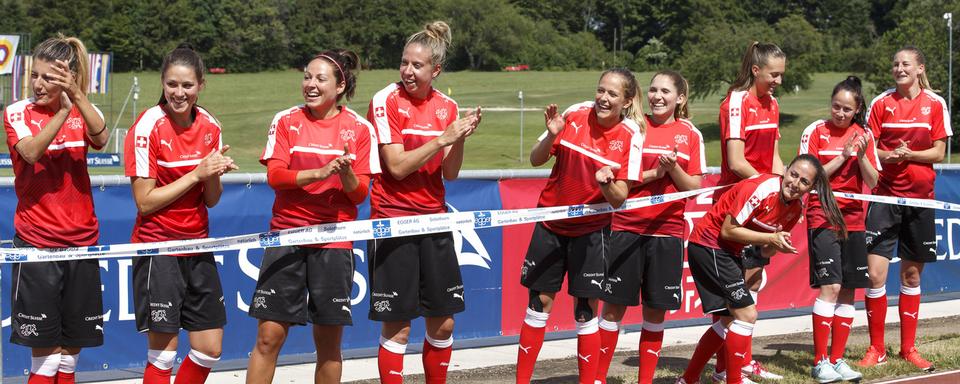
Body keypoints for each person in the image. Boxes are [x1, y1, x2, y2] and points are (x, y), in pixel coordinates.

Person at [246, 49, 379, 384]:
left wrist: (345, 172)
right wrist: (319, 173)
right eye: (307, 76)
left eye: (320, 78)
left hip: (334, 243)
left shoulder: (360, 129)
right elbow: (275, 176)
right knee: (268, 338)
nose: (311, 84)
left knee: (329, 344)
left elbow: (360, 193)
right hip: (287, 238)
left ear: (339, 85)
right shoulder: (286, 120)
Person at [366, 21, 481, 384]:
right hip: (393, 220)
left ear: (436, 70)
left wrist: (459, 137)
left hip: (434, 221)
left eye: (417, 66)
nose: (408, 71)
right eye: (404, 63)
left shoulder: (447, 106)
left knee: (444, 324)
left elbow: (450, 174)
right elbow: (397, 167)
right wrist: (441, 139)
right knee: (398, 329)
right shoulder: (385, 100)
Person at [515, 67, 645, 384]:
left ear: (626, 101)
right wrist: (550, 134)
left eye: (612, 93)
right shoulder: (575, 113)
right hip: (550, 224)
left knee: (585, 311)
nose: (603, 97)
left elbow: (619, 198)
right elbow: (535, 159)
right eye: (601, 90)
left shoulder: (631, 136)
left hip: (591, 232)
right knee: (538, 304)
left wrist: (606, 183)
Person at [124, 43, 238, 384]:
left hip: (197, 247)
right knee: (163, 354)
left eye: (187, 85)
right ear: (162, 82)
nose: (179, 92)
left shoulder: (210, 125)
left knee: (209, 348)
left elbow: (212, 199)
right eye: (172, 84)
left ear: (200, 85)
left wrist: (215, 173)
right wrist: (197, 174)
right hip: (158, 250)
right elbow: (144, 202)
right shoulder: (147, 126)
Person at [677, 155, 846, 384]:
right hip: (709, 244)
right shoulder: (763, 188)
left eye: (804, 182)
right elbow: (728, 230)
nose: (795, 184)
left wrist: (777, 246)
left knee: (728, 320)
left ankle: (689, 379)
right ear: (785, 171)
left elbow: (766, 251)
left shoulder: (795, 209)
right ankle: (732, 380)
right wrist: (771, 237)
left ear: (811, 188)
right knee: (747, 314)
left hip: (730, 251)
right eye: (793, 175)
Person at [3, 34, 108, 384]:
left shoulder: (83, 109)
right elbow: (31, 152)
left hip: (81, 244)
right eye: (35, 75)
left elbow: (102, 138)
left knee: (69, 359)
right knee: (45, 359)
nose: (37, 84)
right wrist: (63, 111)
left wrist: (75, 98)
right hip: (37, 247)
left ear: (69, 78)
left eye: (48, 77)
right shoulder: (17, 112)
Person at [593, 70, 705, 384]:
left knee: (654, 314)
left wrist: (674, 169)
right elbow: (618, 175)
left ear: (680, 98)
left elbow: (693, 187)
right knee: (612, 310)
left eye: (665, 91)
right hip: (627, 228)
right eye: (653, 90)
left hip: (667, 233)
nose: (657, 96)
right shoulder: (632, 127)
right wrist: (657, 173)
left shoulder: (691, 134)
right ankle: (598, 378)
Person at [859, 46, 951, 372]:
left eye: (906, 64)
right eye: (895, 63)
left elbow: (939, 152)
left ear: (919, 68)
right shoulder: (881, 103)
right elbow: (869, 149)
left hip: (921, 201)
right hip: (884, 199)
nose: (899, 68)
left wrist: (909, 154)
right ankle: (876, 348)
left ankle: (908, 348)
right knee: (874, 275)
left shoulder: (935, 104)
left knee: (911, 276)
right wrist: (890, 155)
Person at [798, 76, 879, 383]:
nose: (840, 114)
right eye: (836, 107)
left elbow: (872, 182)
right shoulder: (816, 131)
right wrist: (841, 156)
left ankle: (837, 359)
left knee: (848, 289)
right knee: (830, 287)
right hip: (823, 215)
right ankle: (820, 362)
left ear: (857, 110)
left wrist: (858, 156)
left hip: (855, 219)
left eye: (847, 109)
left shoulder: (864, 135)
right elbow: (811, 177)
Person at [714, 41, 787, 382]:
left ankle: (738, 362)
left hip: (763, 203)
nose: (778, 82)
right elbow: (735, 162)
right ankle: (726, 367)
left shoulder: (772, 104)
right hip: (739, 205)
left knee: (754, 283)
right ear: (756, 71)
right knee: (738, 292)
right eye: (774, 75)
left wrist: (789, 186)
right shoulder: (736, 102)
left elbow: (774, 159)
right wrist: (769, 187)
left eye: (782, 75)